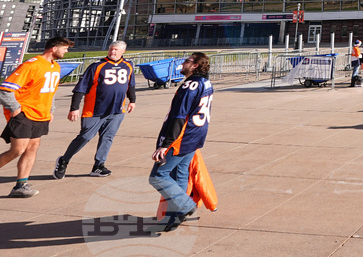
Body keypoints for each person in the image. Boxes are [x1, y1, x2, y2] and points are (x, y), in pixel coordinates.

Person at [0, 37, 74, 198]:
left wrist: (51, 109)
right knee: (17, 150)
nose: (66, 51)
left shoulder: (55, 67)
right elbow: (5, 89)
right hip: (24, 113)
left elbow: (50, 91)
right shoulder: (32, 64)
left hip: (42, 115)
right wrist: (15, 108)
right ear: (53, 49)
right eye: (65, 48)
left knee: (32, 149)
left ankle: (20, 185)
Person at [149, 52, 214, 232]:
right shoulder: (205, 82)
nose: (183, 63)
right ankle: (175, 215)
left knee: (157, 177)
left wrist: (165, 144)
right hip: (195, 136)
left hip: (181, 138)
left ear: (195, 66)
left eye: (187, 61)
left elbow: (179, 116)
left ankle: (185, 206)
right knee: (180, 175)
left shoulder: (190, 85)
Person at [54, 40, 136, 179]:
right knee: (85, 137)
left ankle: (98, 165)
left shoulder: (128, 65)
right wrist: (74, 108)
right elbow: (81, 88)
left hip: (116, 110)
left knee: (107, 137)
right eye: (111, 49)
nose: (112, 52)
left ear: (123, 51)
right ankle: (64, 160)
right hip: (94, 110)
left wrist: (132, 100)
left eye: (116, 50)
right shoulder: (97, 66)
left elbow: (130, 84)